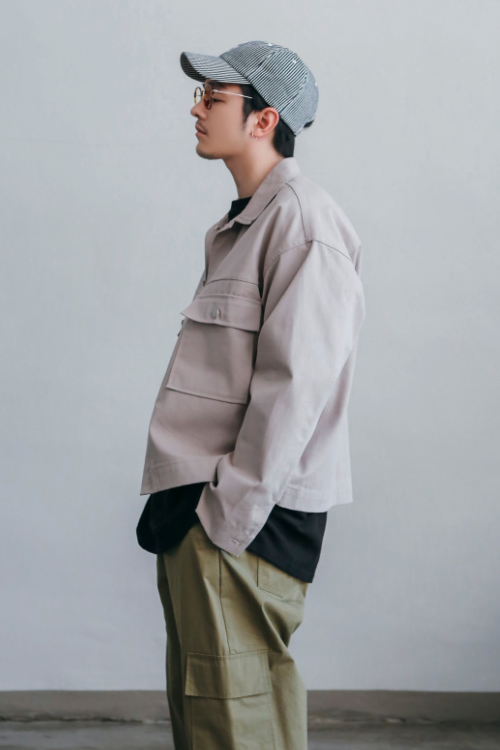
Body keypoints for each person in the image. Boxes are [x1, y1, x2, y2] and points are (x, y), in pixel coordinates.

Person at [136, 40, 366, 750]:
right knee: (212, 725)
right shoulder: (244, 226)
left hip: (240, 528)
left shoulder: (304, 224)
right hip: (204, 520)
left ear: (265, 119)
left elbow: (295, 389)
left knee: (238, 728)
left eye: (214, 97)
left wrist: (225, 519)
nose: (197, 109)